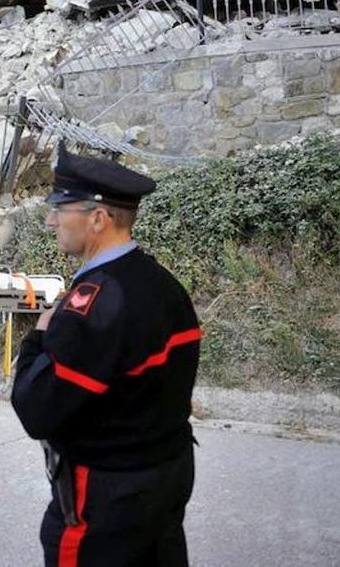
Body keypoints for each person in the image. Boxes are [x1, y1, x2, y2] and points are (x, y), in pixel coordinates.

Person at [11, 143, 201, 567]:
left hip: (107, 497)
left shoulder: (94, 302)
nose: (50, 218)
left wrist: (36, 339)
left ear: (98, 218)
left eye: (61, 207)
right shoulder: (162, 283)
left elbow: (36, 409)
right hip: (164, 477)